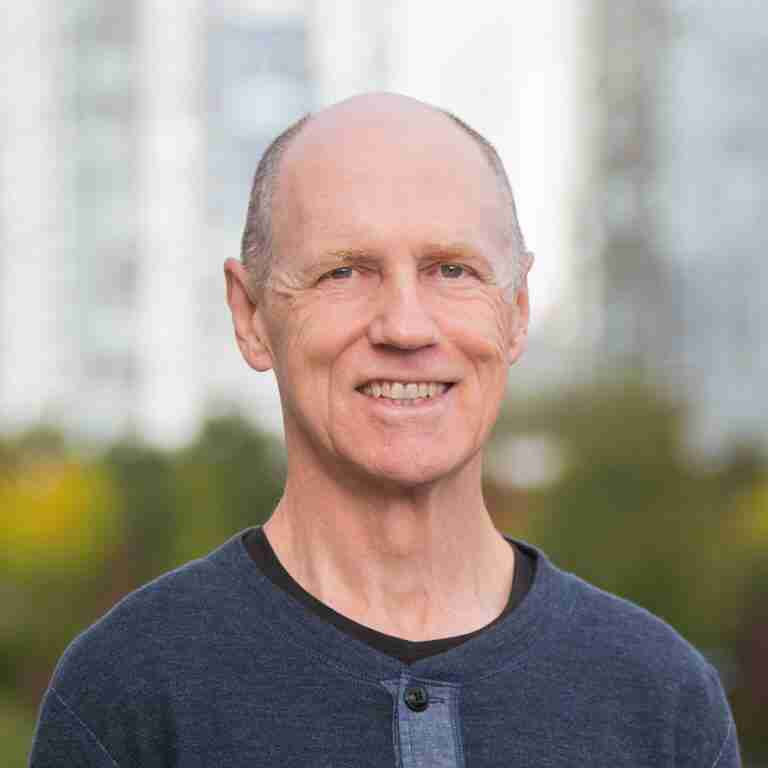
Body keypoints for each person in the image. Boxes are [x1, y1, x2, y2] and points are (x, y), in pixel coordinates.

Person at [29, 93, 740, 766]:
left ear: (517, 309)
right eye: (344, 273)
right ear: (250, 316)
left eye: (452, 270)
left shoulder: (662, 700)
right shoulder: (128, 693)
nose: (404, 325)